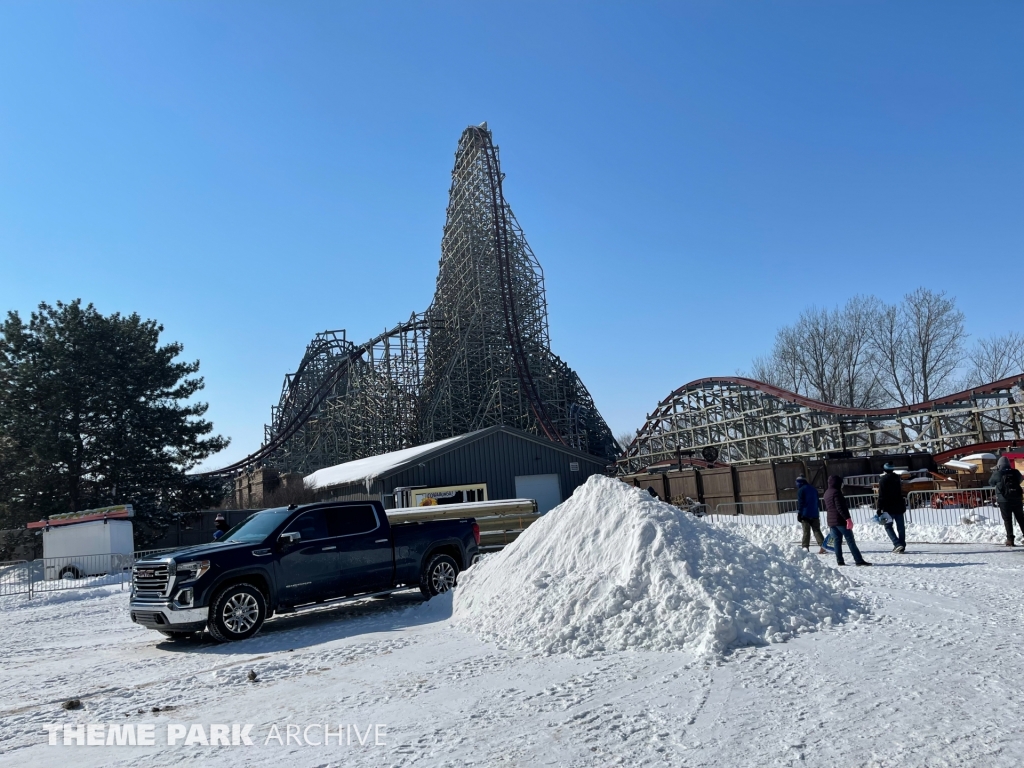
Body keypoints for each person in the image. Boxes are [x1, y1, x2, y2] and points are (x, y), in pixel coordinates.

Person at [824, 475, 871, 566]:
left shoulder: (827, 493)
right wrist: (847, 519)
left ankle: (840, 560)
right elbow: (840, 507)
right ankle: (858, 560)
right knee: (850, 540)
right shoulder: (836, 492)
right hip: (840, 520)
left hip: (831, 520)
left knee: (837, 541)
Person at [990, 456, 1024, 547]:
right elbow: (1021, 479)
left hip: (1004, 500)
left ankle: (1010, 540)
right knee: (1021, 518)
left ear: (999, 465)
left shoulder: (997, 473)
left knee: (1007, 520)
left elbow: (991, 482)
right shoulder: (1015, 472)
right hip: (1017, 499)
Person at [877, 463, 907, 554]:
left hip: (888, 507)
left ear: (884, 470)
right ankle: (902, 545)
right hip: (899, 505)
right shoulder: (897, 478)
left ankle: (897, 544)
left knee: (888, 526)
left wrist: (879, 508)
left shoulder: (883, 480)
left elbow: (881, 495)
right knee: (901, 527)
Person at [795, 475, 825, 553]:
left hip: (805, 514)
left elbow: (801, 503)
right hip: (815, 513)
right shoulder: (813, 489)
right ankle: (823, 546)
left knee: (806, 532)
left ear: (800, 482)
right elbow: (817, 501)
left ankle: (805, 547)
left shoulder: (801, 490)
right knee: (817, 530)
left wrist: (800, 513)